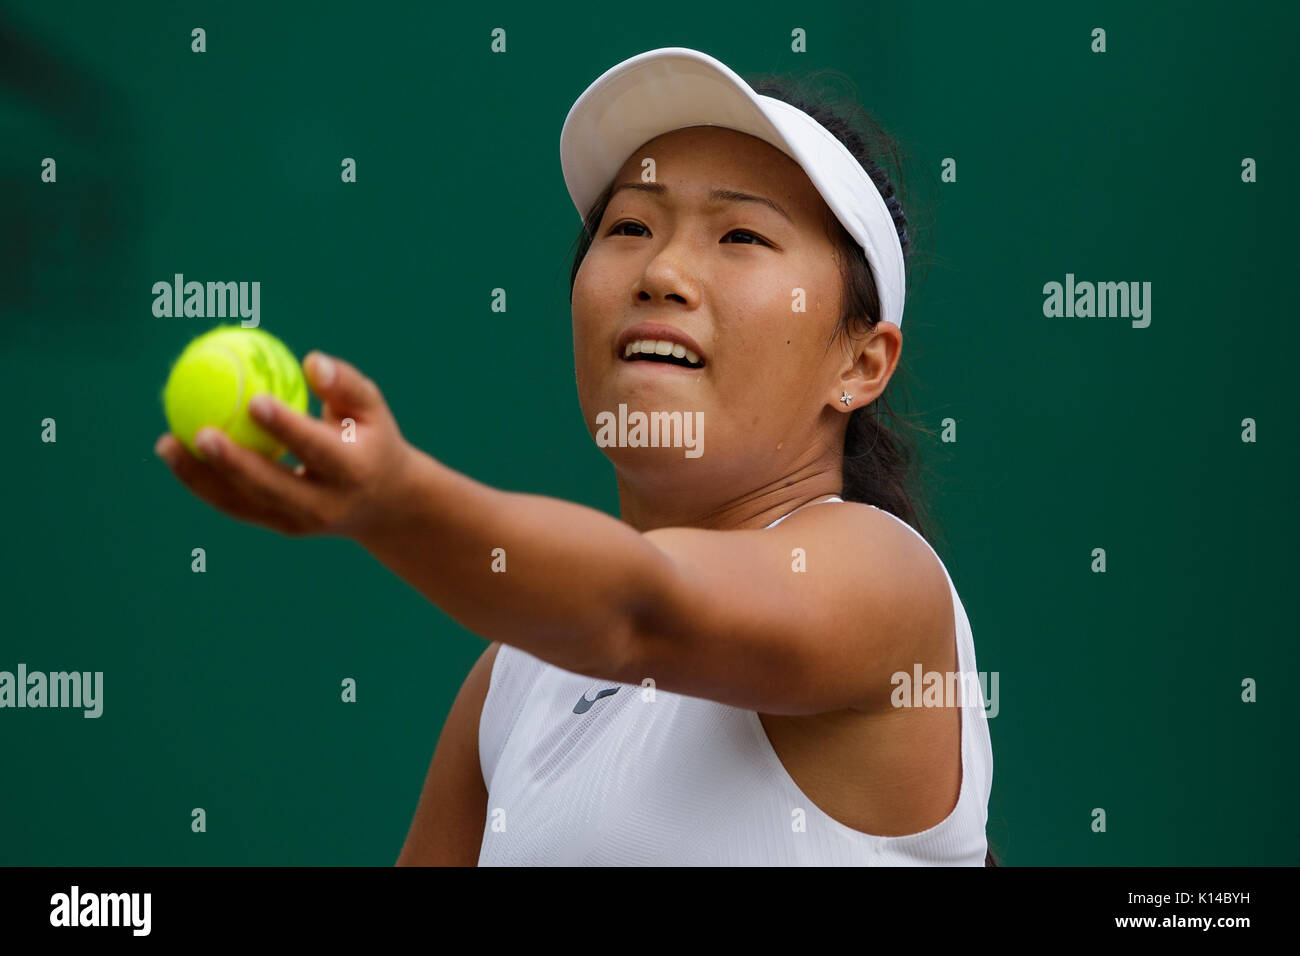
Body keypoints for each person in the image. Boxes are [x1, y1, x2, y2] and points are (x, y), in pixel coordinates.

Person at [154, 47, 995, 866]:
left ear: (861, 363)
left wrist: (400, 502)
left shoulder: (882, 577)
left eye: (741, 235)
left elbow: (639, 612)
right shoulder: (515, 678)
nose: (662, 271)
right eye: (630, 226)